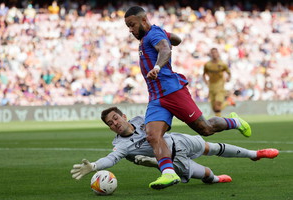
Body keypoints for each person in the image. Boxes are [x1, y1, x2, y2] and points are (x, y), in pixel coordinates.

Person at [123, 6, 251, 189]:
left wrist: (158, 67)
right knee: (152, 135)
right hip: (156, 97)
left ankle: (235, 122)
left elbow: (166, 49)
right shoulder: (152, 34)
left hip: (173, 92)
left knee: (206, 129)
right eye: (128, 26)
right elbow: (177, 39)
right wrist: (167, 34)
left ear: (143, 20)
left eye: (132, 25)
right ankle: (168, 173)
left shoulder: (153, 34)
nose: (130, 30)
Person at [70, 107, 279, 188]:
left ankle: (255, 154)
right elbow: (111, 159)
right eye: (110, 123)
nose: (115, 123)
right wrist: (96, 165)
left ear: (124, 116)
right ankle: (216, 178)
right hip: (172, 161)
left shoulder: (141, 118)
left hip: (179, 141)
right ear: (110, 128)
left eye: (116, 118)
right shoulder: (121, 146)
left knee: (213, 147)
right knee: (205, 175)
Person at [203, 48, 235, 117]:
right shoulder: (207, 65)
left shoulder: (222, 64)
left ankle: (218, 122)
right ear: (210, 54)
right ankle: (228, 102)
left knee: (217, 106)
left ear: (218, 54)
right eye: (212, 53)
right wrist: (206, 81)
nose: (214, 54)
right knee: (214, 108)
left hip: (220, 86)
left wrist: (228, 78)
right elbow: (204, 74)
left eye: (215, 52)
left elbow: (229, 73)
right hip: (211, 87)